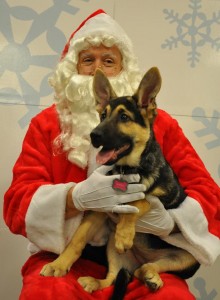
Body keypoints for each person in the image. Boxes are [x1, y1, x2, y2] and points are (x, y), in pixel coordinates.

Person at [4, 9, 220, 300]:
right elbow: (16, 202)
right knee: (45, 292)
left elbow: (207, 192)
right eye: (87, 60)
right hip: (66, 254)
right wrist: (74, 198)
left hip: (144, 252)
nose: (97, 71)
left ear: (123, 69)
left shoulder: (160, 125)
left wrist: (169, 221)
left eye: (108, 61)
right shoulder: (45, 126)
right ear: (73, 68)